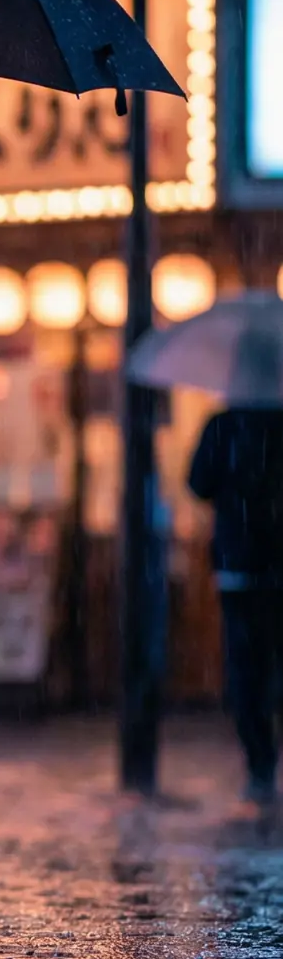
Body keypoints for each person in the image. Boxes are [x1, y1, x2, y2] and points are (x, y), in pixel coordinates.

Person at [187, 328, 283, 804]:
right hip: (274, 568)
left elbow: (197, 483)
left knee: (246, 669)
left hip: (239, 566)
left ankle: (260, 764)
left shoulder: (224, 425)